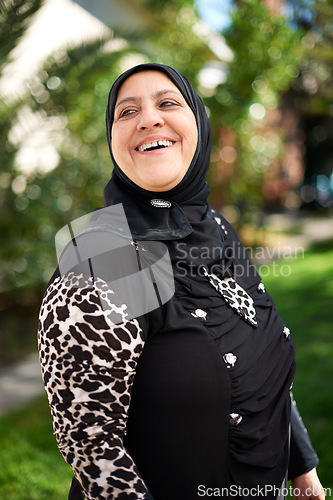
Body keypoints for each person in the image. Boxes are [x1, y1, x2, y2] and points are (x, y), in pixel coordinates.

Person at [38, 63, 325, 500]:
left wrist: (304, 473)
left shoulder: (218, 228)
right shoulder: (103, 256)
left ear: (199, 125)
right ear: (113, 142)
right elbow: (91, 445)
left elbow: (261, 364)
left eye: (168, 103)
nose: (149, 119)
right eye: (126, 111)